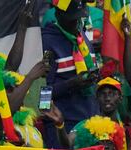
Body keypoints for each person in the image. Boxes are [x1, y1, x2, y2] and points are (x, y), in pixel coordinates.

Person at [41, 0, 97, 131]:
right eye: (72, 18)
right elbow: (41, 98)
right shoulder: (46, 42)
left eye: (79, 17)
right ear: (58, 14)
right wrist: (71, 84)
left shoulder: (82, 38)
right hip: (63, 127)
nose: (76, 22)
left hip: (91, 121)